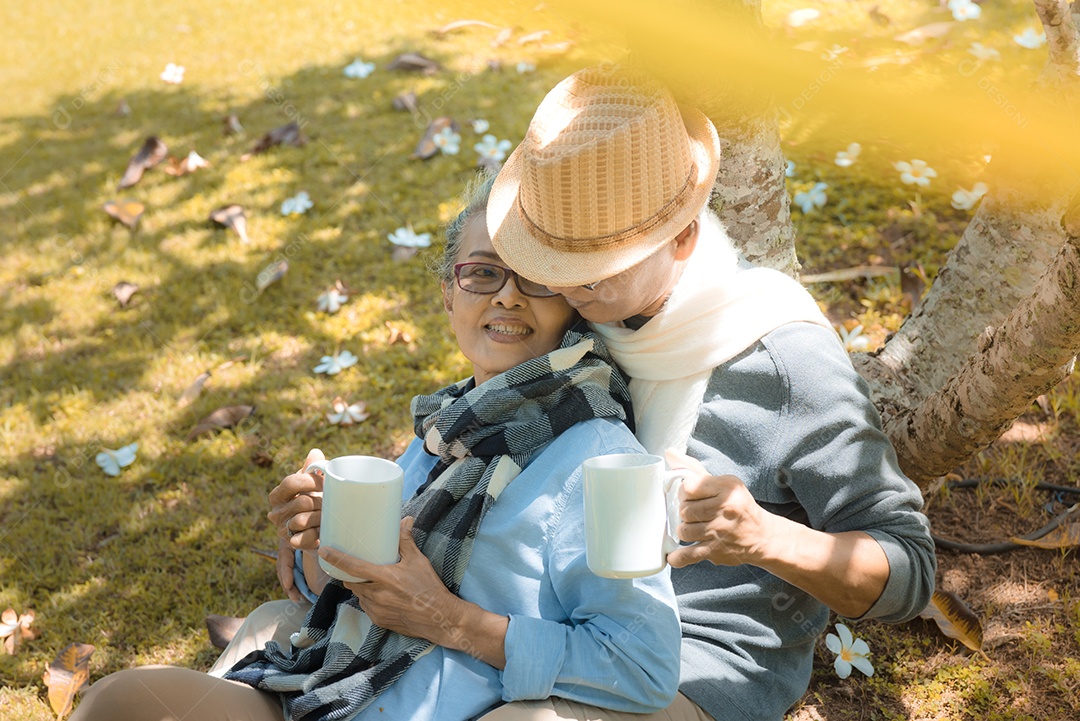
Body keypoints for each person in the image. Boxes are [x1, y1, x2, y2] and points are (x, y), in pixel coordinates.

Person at [69, 176, 682, 721]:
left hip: (448, 704)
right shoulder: (446, 428)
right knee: (118, 701)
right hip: (332, 688)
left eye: (538, 278)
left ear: (570, 302)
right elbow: (348, 593)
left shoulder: (597, 455)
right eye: (483, 272)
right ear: (450, 292)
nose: (507, 296)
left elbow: (642, 666)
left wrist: (450, 620)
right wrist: (319, 536)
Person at [474, 65, 937, 721]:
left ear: (684, 235)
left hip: (698, 659)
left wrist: (757, 534)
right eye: (556, 261)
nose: (573, 289)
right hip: (551, 613)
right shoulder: (579, 321)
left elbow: (909, 571)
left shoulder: (783, 357)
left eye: (598, 267)